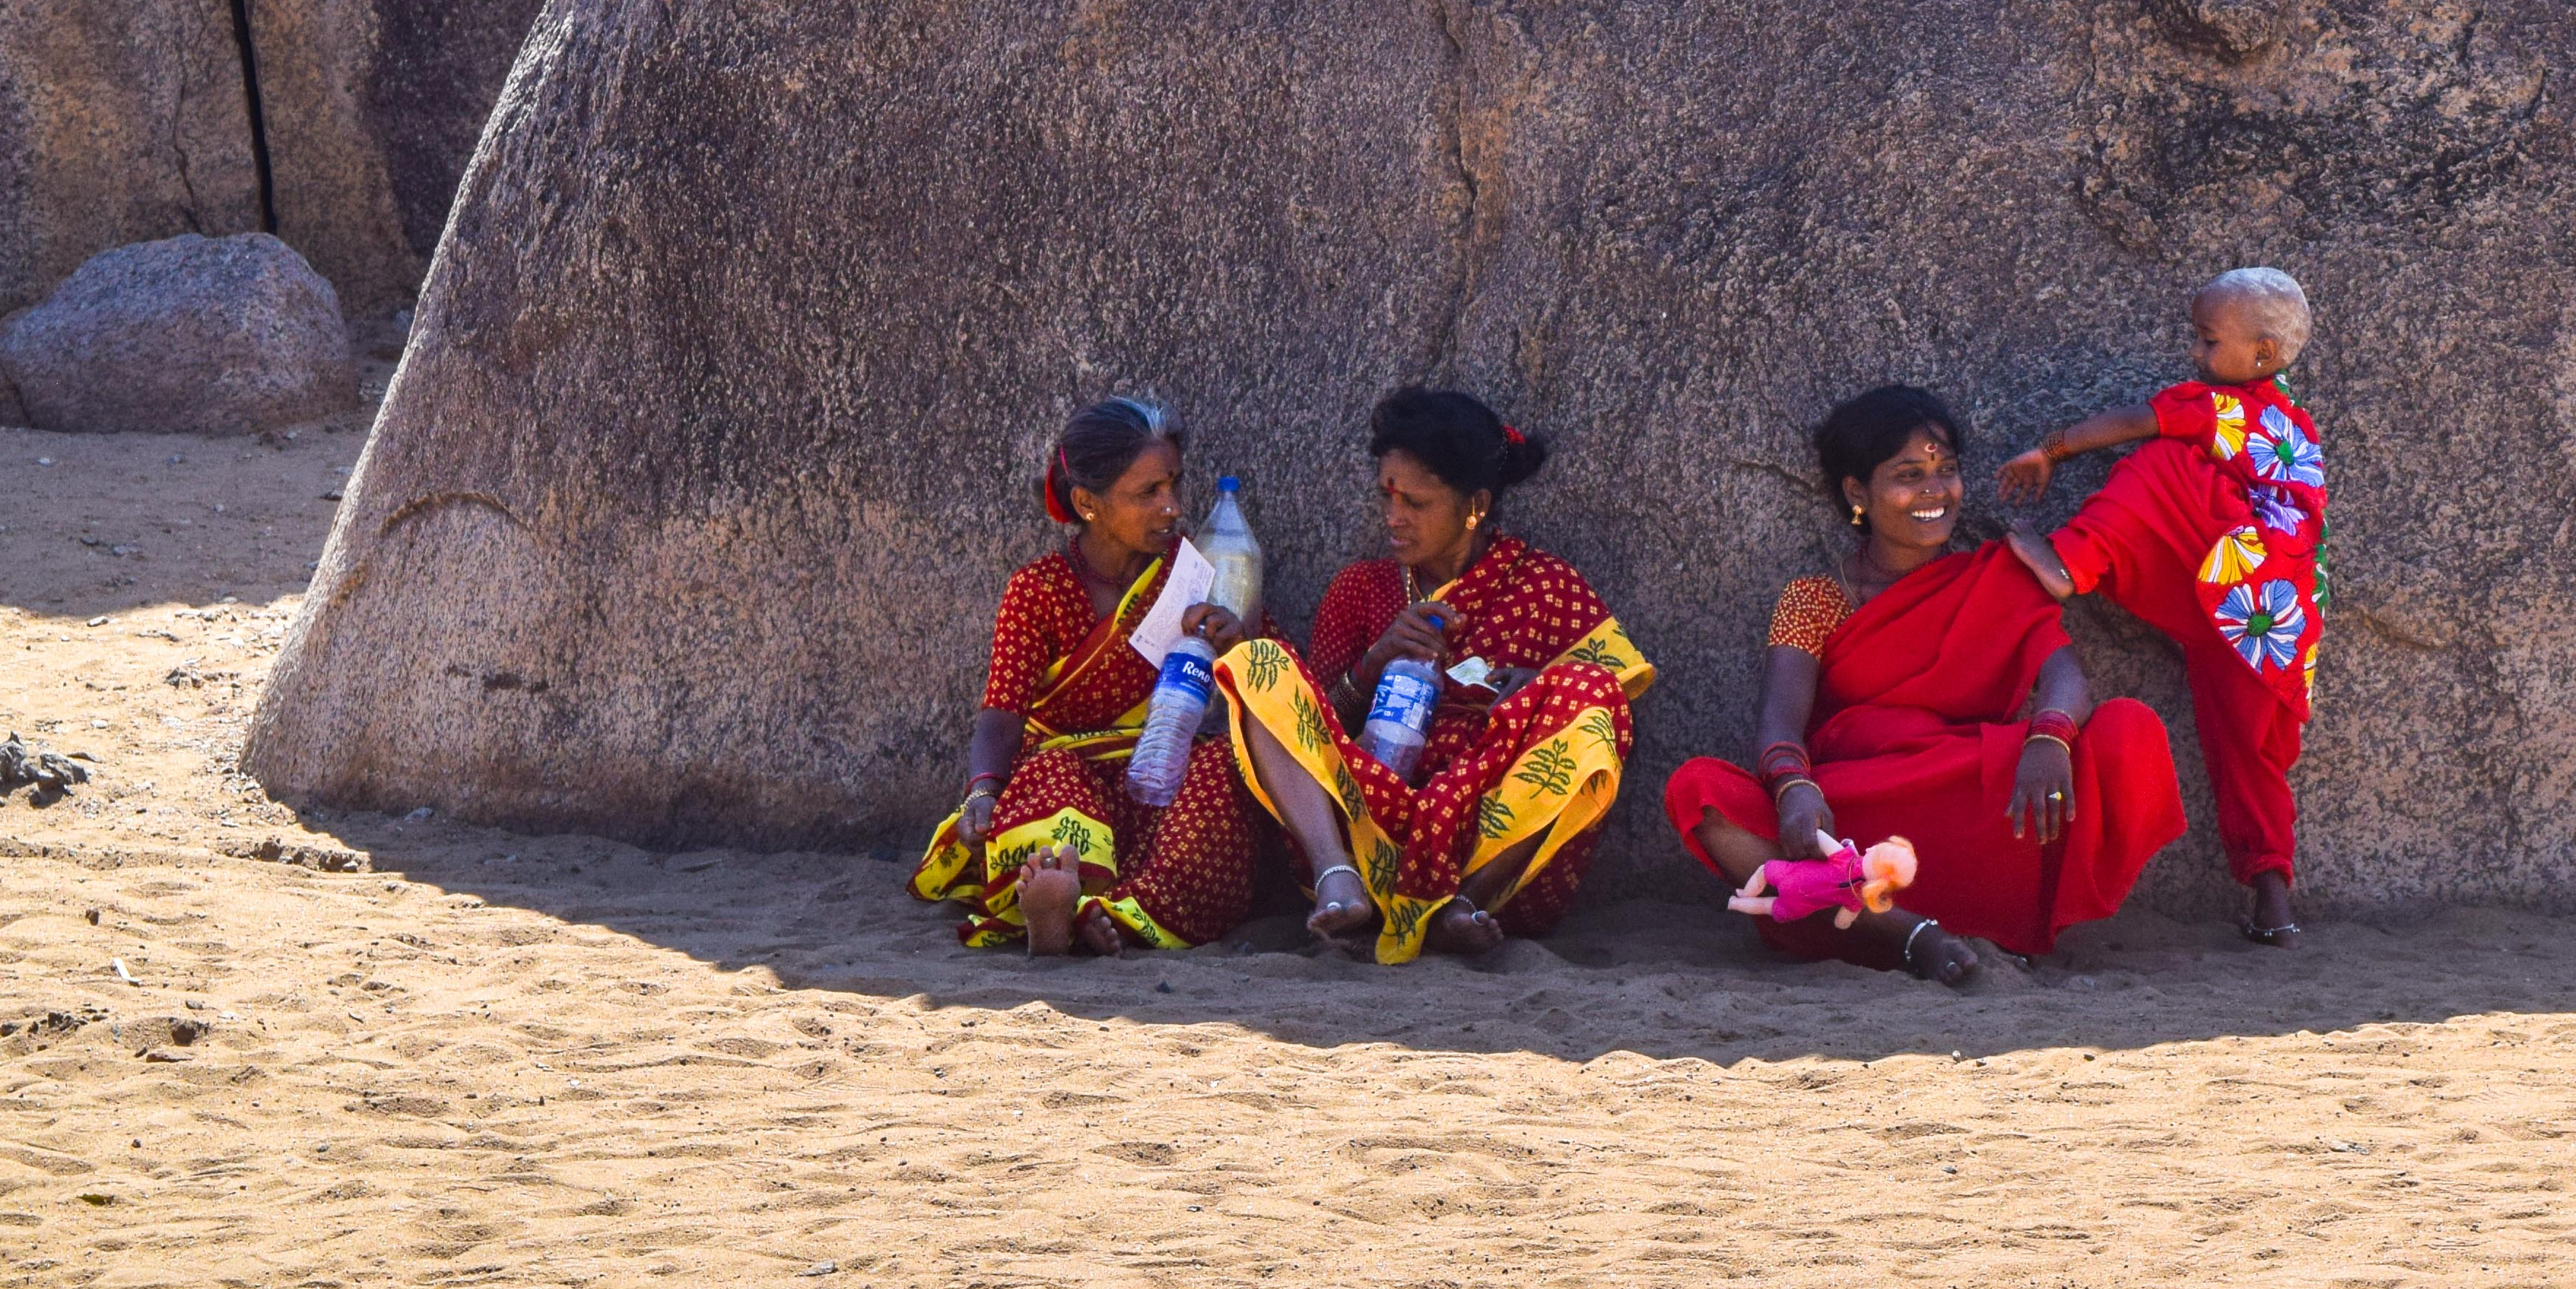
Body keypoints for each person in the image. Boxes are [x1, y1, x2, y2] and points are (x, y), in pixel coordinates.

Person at [1665, 385, 2181, 982]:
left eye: (1948, 470)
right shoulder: (1816, 598)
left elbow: (2064, 676)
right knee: (1696, 790)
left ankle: (1932, 917)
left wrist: (2049, 739)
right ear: (1858, 492)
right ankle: (1906, 932)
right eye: (1910, 474)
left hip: (1985, 802)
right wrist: (1794, 791)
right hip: (1859, 817)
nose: (1935, 491)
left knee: (2128, 730)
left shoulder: (1998, 575)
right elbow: (1779, 723)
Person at [1210, 388, 1654, 963]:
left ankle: (1463, 906)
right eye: (1386, 498)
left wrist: (1537, 686)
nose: (1393, 519)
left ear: (1475, 506)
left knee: (1592, 690)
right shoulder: (1361, 588)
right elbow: (1306, 726)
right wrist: (1373, 665)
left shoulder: (1544, 585)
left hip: (1488, 838)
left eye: (1415, 504)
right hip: (1368, 825)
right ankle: (1335, 877)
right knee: (1257, 663)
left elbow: (1621, 712)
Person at [1997, 267, 2323, 945]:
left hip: (2235, 581)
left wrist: (2050, 449)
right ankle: (2274, 904)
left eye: (2207, 341)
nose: (2195, 356)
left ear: (2261, 354)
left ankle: (2073, 560)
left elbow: (2132, 422)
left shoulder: (2220, 407)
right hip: (2270, 622)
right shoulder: (2292, 423)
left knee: (2158, 465)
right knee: (2250, 758)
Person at [911, 394, 1269, 955]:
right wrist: (983, 791)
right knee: (1048, 774)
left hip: (1162, 776)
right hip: (1069, 781)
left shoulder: (1198, 574)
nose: (1172, 507)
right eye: (1148, 493)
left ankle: (1122, 913)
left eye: (1174, 484)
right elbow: (1003, 712)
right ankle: (1060, 904)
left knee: (1222, 768)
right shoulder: (1038, 590)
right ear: (1088, 502)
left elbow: (1276, 682)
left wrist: (1237, 642)